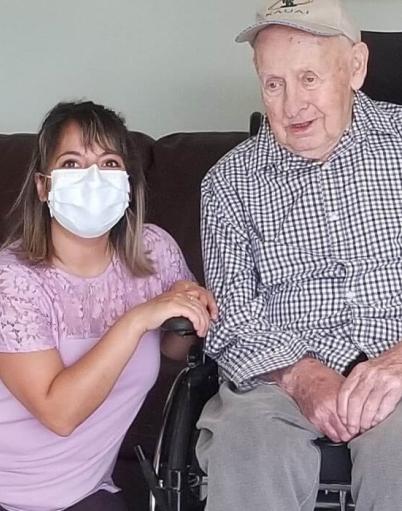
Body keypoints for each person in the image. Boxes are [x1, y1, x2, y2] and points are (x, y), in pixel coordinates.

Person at [196, 1, 402, 510]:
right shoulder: (229, 182)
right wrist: (300, 374)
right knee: (245, 446)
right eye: (274, 84)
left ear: (355, 67)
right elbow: (230, 317)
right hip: (278, 381)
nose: (292, 106)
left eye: (309, 78)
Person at [0, 100, 217, 511]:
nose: (93, 178)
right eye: (72, 163)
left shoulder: (155, 251)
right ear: (43, 186)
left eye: (110, 163)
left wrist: (189, 317)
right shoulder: (12, 280)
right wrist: (137, 319)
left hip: (84, 491)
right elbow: (59, 414)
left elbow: (175, 346)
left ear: (129, 183)